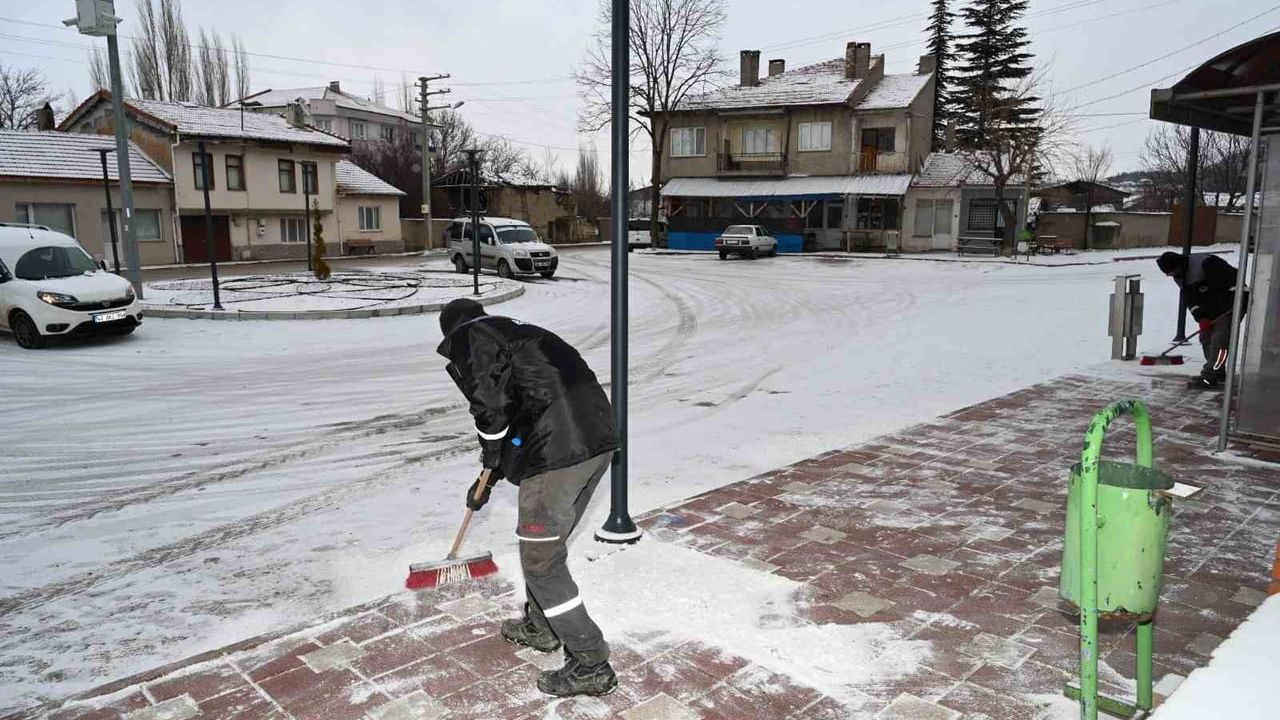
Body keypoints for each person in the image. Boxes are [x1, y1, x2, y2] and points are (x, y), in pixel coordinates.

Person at [436, 298, 620, 697]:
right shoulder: (514, 334)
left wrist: (490, 452)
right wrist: (491, 473)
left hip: (557, 455)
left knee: (541, 562)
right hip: (596, 441)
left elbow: (490, 408)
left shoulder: (472, 336)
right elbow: (524, 405)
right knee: (546, 549)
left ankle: (591, 662)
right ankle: (541, 626)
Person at [1156, 251, 1248, 389]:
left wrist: (1237, 302)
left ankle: (1210, 376)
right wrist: (1201, 317)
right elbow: (1190, 300)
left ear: (1178, 265)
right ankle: (1218, 371)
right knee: (1205, 337)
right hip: (1212, 309)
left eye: (1170, 272)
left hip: (1232, 304)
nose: (1169, 275)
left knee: (1220, 340)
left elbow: (1233, 280)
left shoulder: (1206, 263)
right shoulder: (1179, 276)